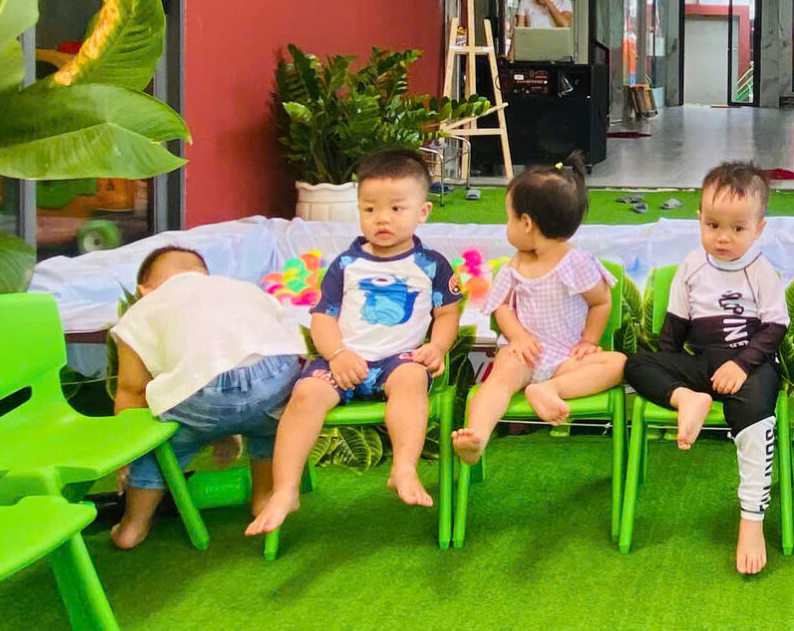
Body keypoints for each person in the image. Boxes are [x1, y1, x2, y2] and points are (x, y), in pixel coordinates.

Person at [267, 148, 460, 526]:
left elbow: (447, 314)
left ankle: (403, 468)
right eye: (370, 209)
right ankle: (284, 491)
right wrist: (337, 354)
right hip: (344, 360)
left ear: (422, 212)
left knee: (411, 379)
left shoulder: (431, 265)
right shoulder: (346, 265)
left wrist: (437, 346)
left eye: (396, 208)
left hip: (398, 360)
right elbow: (323, 317)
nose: (382, 218)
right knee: (305, 395)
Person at [105, 244, 339, 549]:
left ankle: (132, 527)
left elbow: (131, 390)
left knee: (163, 447)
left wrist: (128, 453)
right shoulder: (239, 288)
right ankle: (264, 496)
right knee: (275, 426)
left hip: (202, 394)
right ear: (205, 275)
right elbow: (267, 334)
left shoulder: (142, 310)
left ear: (143, 290)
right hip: (274, 374)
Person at [622, 162, 790, 576]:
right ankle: (688, 400)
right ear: (699, 218)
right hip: (702, 368)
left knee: (756, 416)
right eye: (713, 225)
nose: (723, 237)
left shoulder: (760, 270)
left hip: (751, 365)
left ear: (759, 229)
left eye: (737, 228)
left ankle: (751, 519)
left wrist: (742, 364)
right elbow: (673, 330)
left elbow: (776, 327)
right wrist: (672, 376)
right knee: (635, 363)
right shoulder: (692, 266)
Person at [453, 158, 625, 459]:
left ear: (526, 223)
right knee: (497, 382)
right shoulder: (516, 264)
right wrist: (518, 337)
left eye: (508, 217)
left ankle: (552, 389)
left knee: (618, 363)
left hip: (566, 358)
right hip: (524, 356)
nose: (507, 226)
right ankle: (477, 435)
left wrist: (589, 341)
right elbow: (501, 307)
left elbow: (601, 302)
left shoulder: (575, 263)